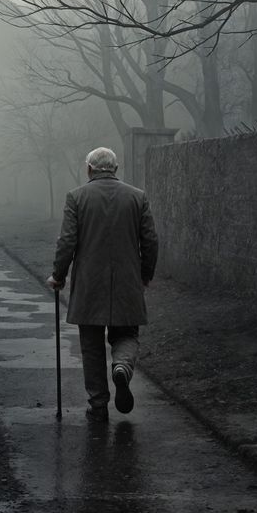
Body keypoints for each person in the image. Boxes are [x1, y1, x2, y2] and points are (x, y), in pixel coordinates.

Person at [46, 146, 159, 424]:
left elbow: (67, 242)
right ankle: (121, 366)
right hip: (127, 282)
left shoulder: (76, 197)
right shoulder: (137, 197)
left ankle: (98, 405)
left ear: (89, 169)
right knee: (127, 335)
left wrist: (58, 275)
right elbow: (151, 241)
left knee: (92, 346)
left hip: (89, 286)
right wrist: (144, 274)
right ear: (116, 169)